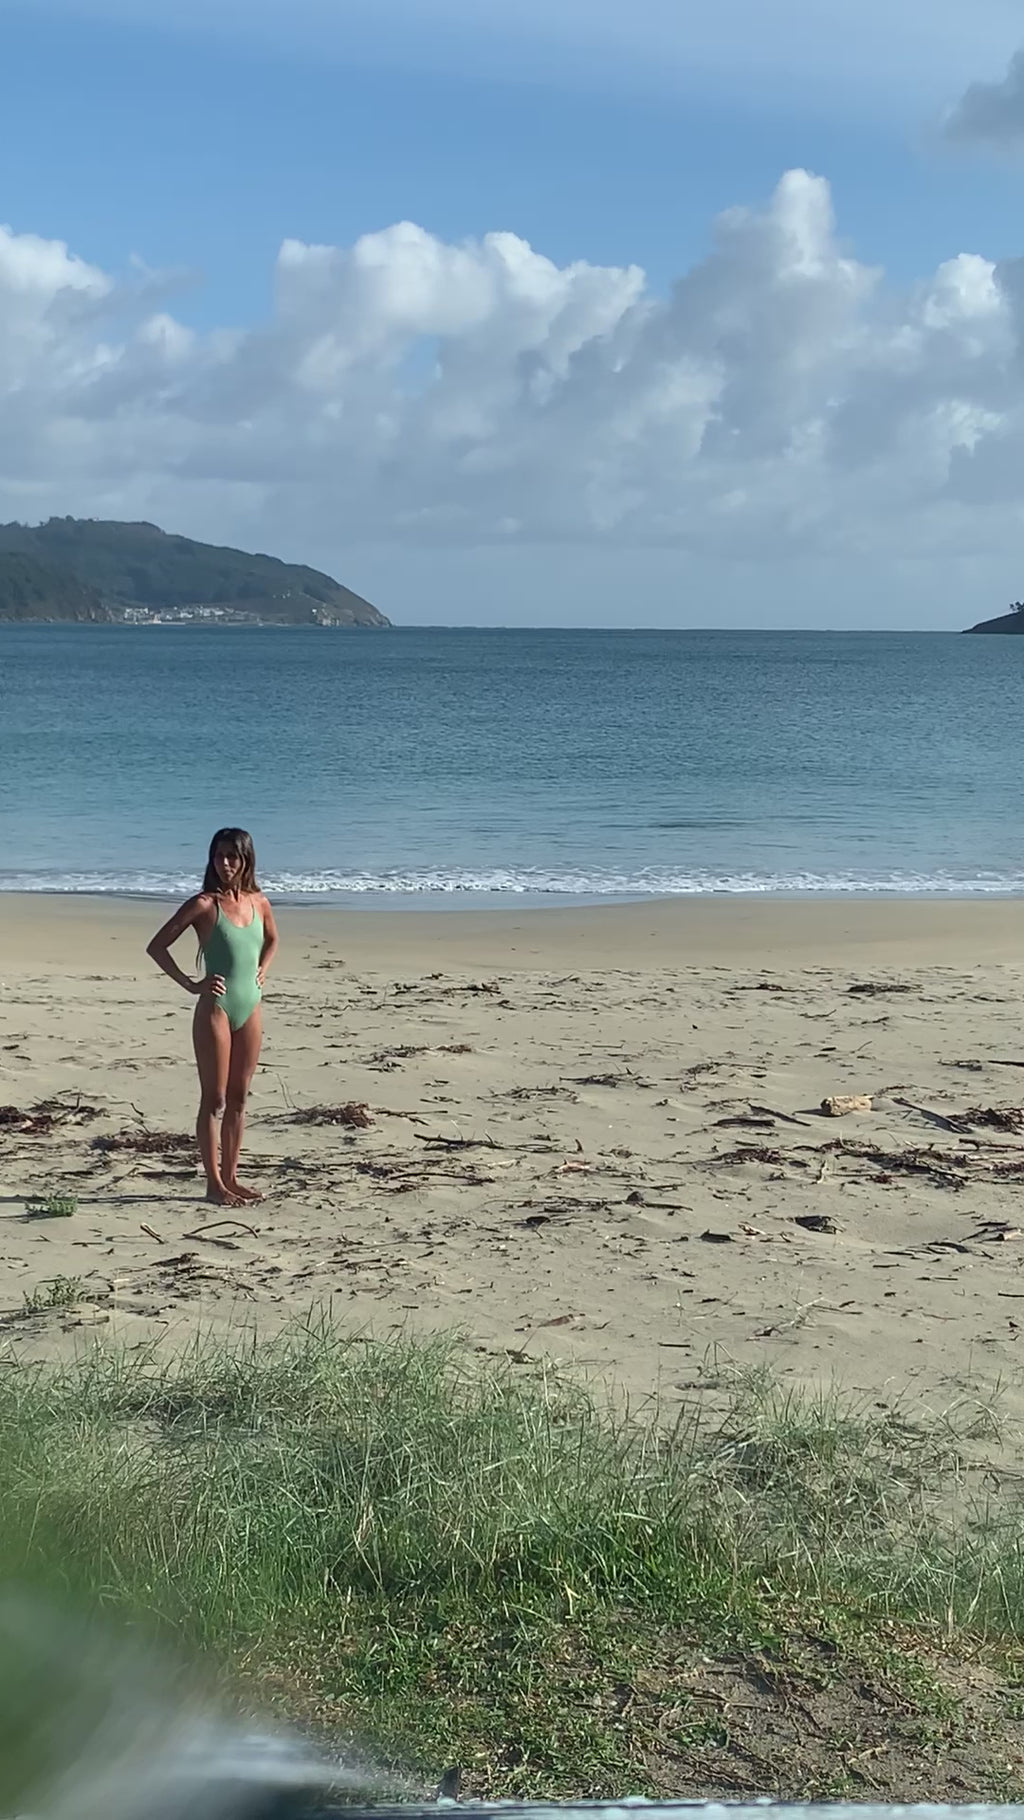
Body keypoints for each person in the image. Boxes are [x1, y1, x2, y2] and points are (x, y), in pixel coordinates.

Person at [146, 828, 278, 1206]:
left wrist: (263, 968)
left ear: (246, 859)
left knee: (239, 1097)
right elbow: (157, 946)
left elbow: (272, 940)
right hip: (216, 1012)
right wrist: (191, 984)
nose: (224, 864)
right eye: (219, 856)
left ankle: (232, 1178)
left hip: (250, 1007)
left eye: (232, 857)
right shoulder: (205, 904)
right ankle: (213, 1184)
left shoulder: (259, 902)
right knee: (215, 1099)